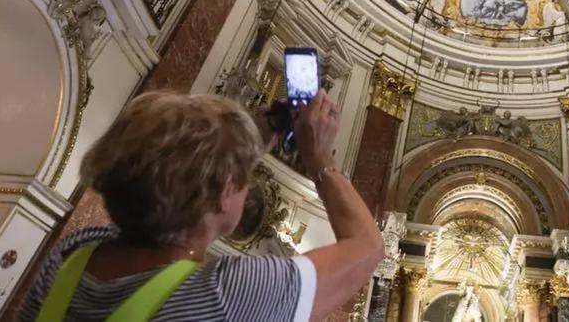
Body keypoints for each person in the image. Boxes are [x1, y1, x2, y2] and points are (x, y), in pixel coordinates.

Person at [20, 90, 384, 321]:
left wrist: (236, 146)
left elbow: (157, 177)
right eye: (242, 177)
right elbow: (367, 248)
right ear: (225, 194)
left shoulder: (73, 255)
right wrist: (319, 158)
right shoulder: (226, 295)